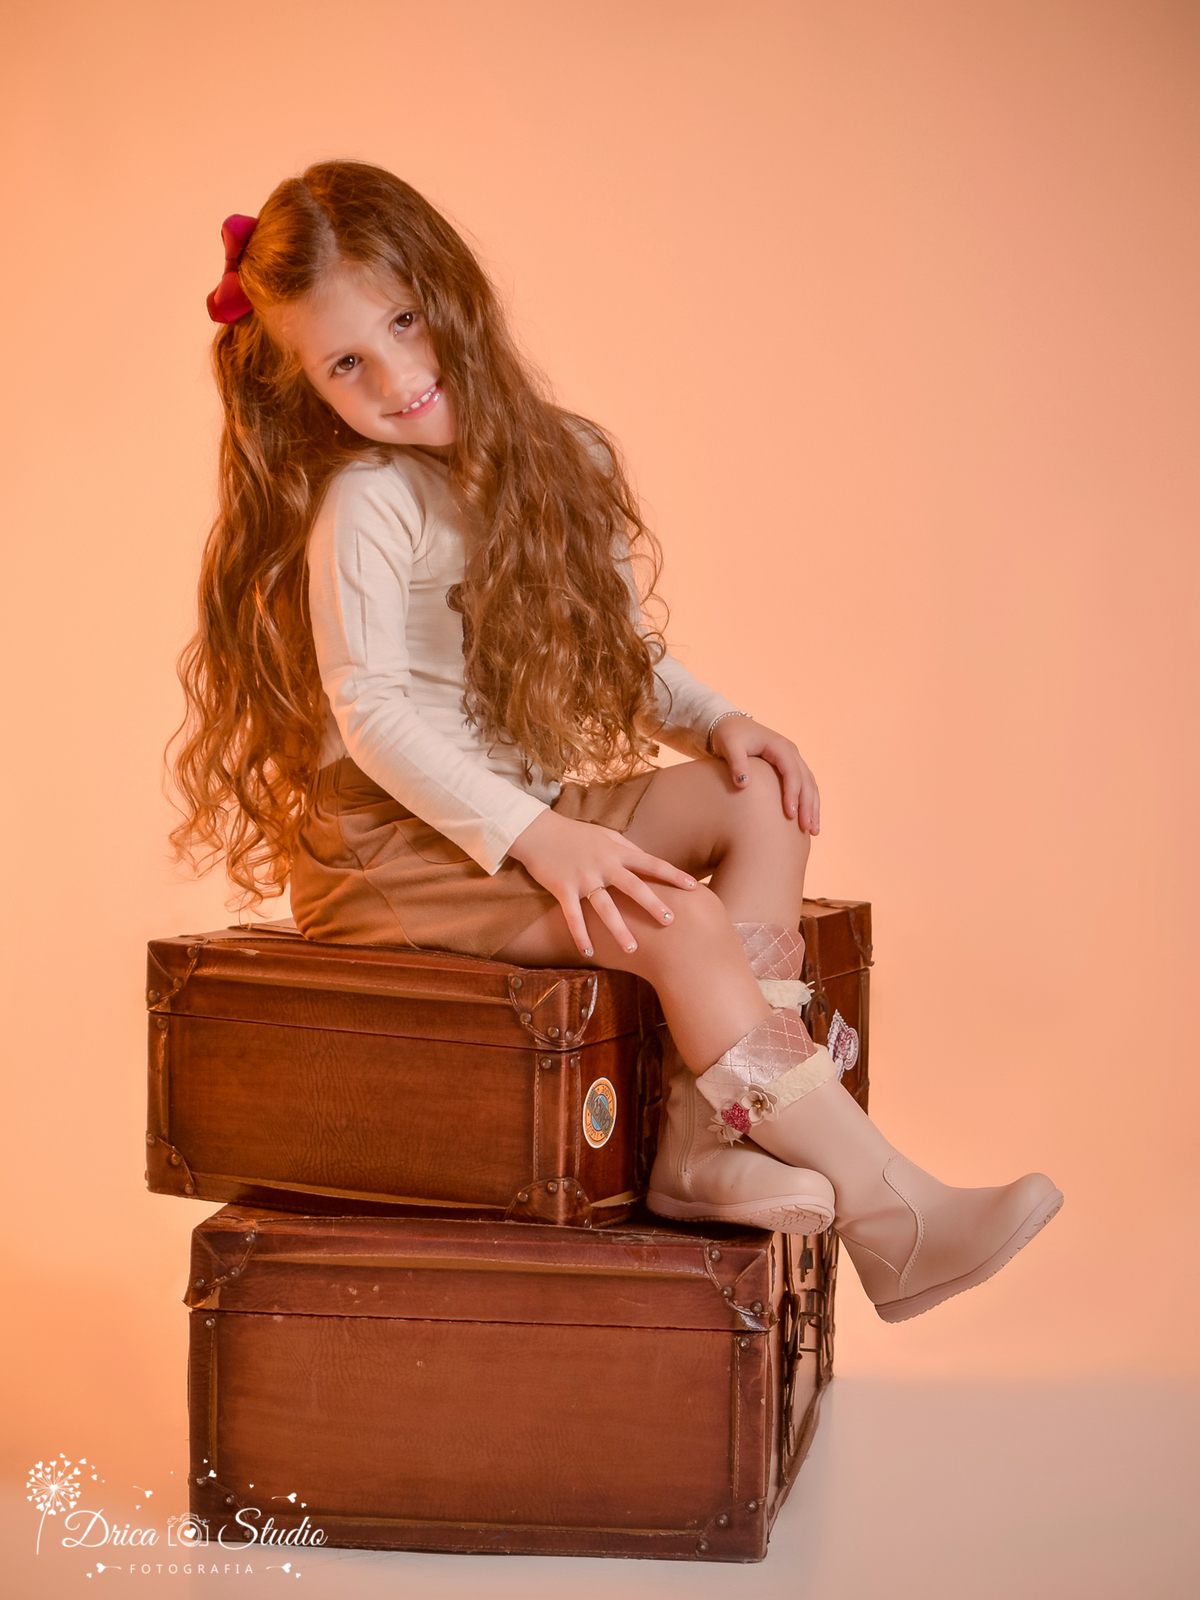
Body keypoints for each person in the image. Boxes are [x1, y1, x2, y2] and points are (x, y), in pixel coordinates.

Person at [172, 160, 1061, 1324]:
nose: (397, 377)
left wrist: (719, 722)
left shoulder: (553, 460)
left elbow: (616, 649)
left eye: (405, 320)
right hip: (395, 860)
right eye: (347, 363)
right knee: (680, 921)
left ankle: (700, 1147)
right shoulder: (368, 501)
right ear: (304, 384)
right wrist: (545, 838)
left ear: (454, 291)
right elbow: (373, 713)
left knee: (761, 800)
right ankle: (895, 1219)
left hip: (521, 816)